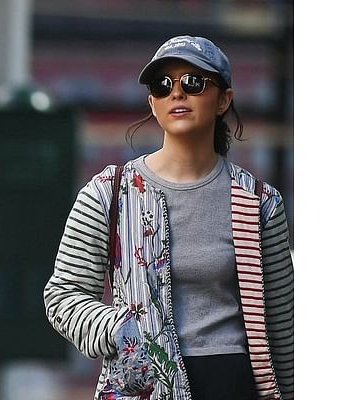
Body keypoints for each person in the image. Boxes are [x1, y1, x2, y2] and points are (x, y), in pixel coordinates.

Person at [43, 35, 293, 400]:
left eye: (193, 83)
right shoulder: (108, 194)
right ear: (152, 103)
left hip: (233, 384)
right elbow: (63, 295)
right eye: (163, 86)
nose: (177, 94)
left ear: (224, 99)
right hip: (142, 384)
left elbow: (282, 325)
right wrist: (119, 329)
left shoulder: (258, 202)